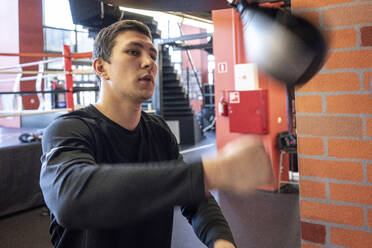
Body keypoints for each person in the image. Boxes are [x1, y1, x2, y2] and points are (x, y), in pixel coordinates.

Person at [40, 20, 273, 248]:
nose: (148, 62)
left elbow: (194, 198)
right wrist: (211, 171)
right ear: (102, 68)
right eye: (133, 51)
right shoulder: (68, 129)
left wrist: (220, 239)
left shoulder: (159, 131)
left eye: (153, 55)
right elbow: (70, 198)